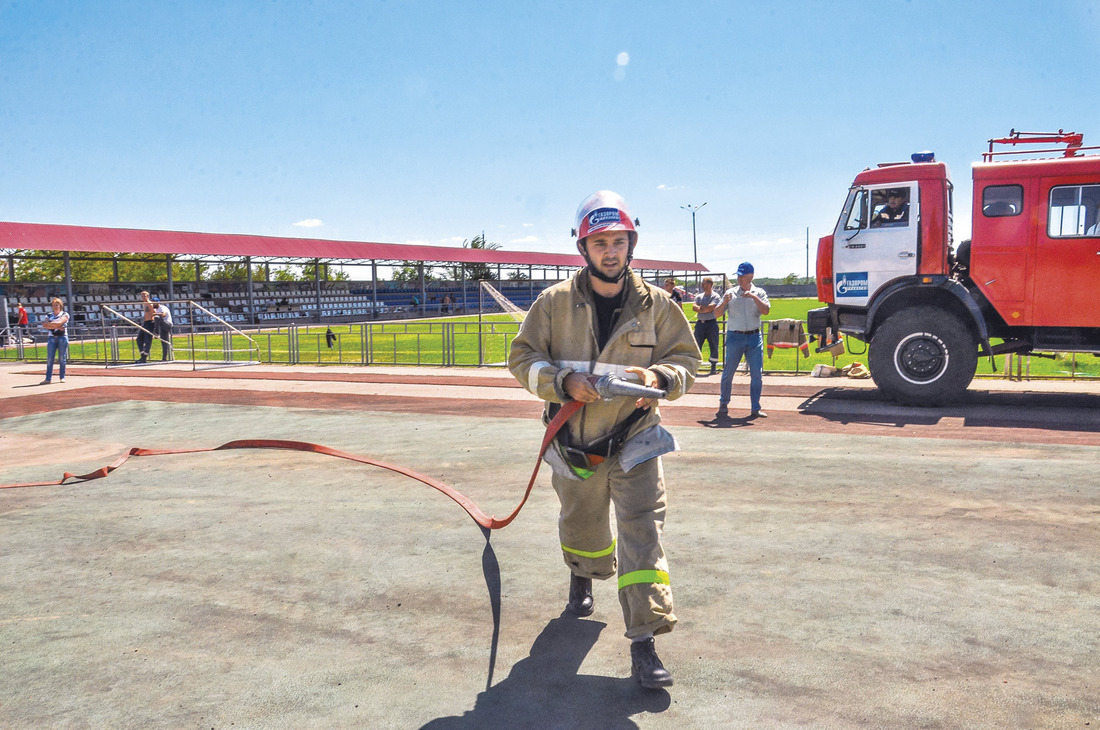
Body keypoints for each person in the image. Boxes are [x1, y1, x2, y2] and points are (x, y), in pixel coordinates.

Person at [509, 190, 700, 690]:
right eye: (600, 243)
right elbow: (522, 358)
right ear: (583, 248)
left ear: (631, 245)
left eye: (618, 241)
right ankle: (583, 574)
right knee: (582, 522)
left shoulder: (657, 306)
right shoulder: (553, 304)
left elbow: (687, 362)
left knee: (642, 534)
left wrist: (659, 379)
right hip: (575, 444)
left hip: (636, 442)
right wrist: (561, 383)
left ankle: (644, 642)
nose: (610, 251)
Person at [714, 262, 770, 419]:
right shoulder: (730, 293)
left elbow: (765, 311)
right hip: (735, 337)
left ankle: (755, 408)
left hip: (754, 337)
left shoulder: (760, 292)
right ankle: (723, 403)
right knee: (728, 372)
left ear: (750, 276)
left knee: (756, 373)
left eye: (742, 276)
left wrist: (753, 296)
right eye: (738, 275)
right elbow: (716, 314)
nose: (739, 279)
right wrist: (724, 301)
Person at [691, 277, 723, 375]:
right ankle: (695, 367)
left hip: (711, 323)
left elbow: (711, 308)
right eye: (702, 283)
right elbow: (694, 307)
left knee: (713, 345)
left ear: (710, 284)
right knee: (696, 346)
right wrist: (704, 309)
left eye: (704, 283)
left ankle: (713, 367)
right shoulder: (699, 296)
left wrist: (701, 308)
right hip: (700, 323)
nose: (702, 285)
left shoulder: (715, 296)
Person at [39, 297, 69, 384]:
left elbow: (61, 322)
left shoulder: (65, 314)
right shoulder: (48, 315)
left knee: (62, 358)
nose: (55, 307)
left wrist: (51, 325)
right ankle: (48, 378)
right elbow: (45, 325)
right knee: (50, 359)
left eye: (57, 305)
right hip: (52, 338)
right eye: (54, 305)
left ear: (60, 305)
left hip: (62, 338)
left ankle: (62, 377)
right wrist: (57, 326)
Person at [137, 291, 156, 363]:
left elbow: (154, 312)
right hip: (145, 322)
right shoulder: (144, 304)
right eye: (142, 296)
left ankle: (144, 357)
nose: (143, 297)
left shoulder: (149, 303)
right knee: (139, 339)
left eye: (144, 296)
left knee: (147, 340)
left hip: (150, 322)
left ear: (147, 296)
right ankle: (142, 355)